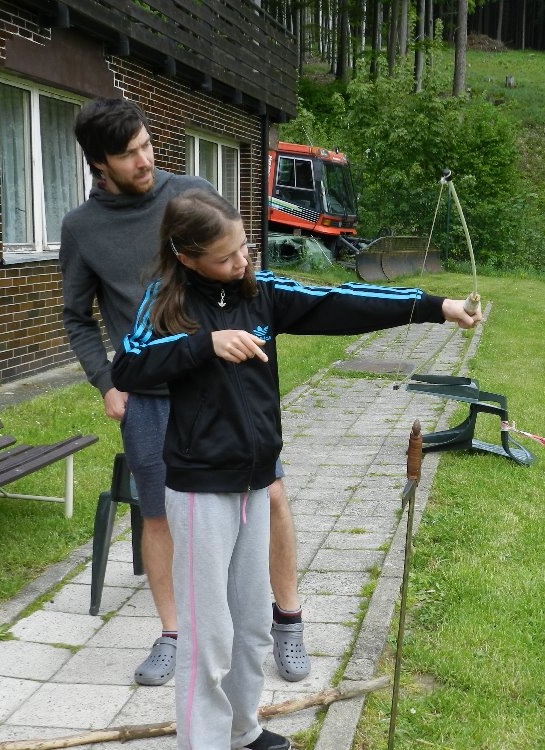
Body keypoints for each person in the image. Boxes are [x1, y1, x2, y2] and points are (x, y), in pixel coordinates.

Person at [110, 189, 481, 750]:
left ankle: (242, 729)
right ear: (187, 257)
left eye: (245, 249)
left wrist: (435, 306)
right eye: (227, 257)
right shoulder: (167, 299)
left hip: (257, 482)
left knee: (254, 623)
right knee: (207, 637)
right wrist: (204, 344)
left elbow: (341, 302)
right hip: (199, 490)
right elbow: (129, 366)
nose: (242, 264)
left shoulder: (261, 291)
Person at [60, 98, 309, 687]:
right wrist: (106, 383)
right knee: (157, 515)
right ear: (100, 162)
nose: (146, 160)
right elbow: (76, 316)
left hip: (219, 387)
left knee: (269, 498)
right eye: (130, 154)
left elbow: (237, 265)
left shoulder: (190, 192)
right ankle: (174, 633)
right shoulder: (81, 229)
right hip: (147, 395)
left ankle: (288, 619)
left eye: (147, 145)